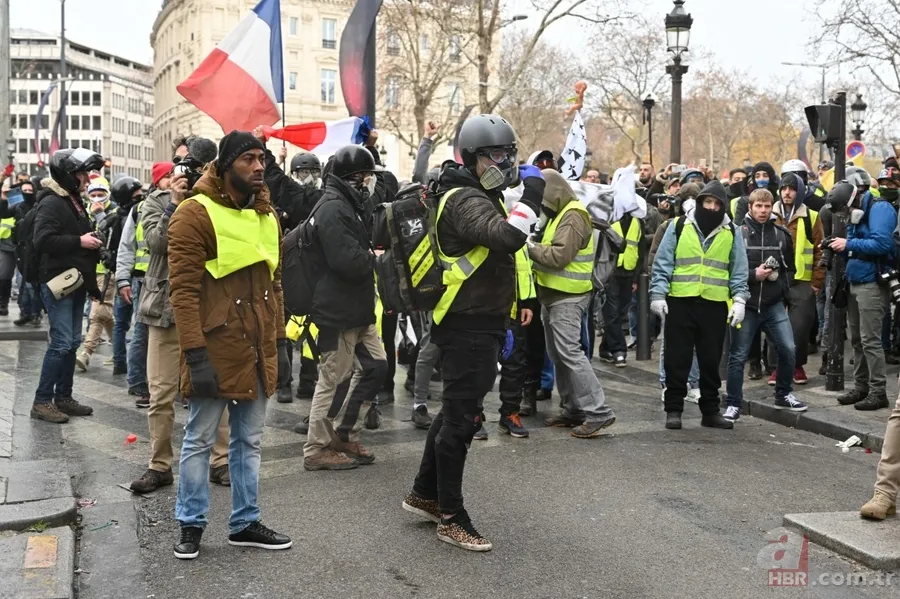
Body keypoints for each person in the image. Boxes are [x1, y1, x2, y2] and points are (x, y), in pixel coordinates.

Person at [402, 114, 542, 552]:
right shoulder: (465, 199)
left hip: (477, 321)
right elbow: (505, 237)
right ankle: (452, 517)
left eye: (508, 153)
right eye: (495, 154)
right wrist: (534, 196)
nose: (505, 161)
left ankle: (425, 494)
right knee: (461, 423)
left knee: (452, 414)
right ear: (472, 157)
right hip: (466, 325)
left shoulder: (480, 192)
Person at [168, 130, 292, 560]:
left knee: (249, 441)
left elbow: (274, 285)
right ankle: (191, 523)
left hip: (257, 348)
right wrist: (195, 355)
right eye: (248, 160)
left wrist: (280, 343)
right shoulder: (193, 214)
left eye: (262, 158)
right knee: (200, 439)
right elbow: (182, 292)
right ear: (224, 166)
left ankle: (244, 522)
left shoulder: (267, 215)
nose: (259, 166)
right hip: (215, 348)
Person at [130, 157, 232, 494]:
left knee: (214, 388)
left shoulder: (212, 203)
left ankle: (220, 461)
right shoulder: (154, 204)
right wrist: (175, 203)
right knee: (160, 394)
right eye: (182, 171)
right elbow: (159, 244)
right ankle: (159, 465)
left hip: (205, 309)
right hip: (164, 311)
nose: (187, 177)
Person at [302, 144, 388, 471]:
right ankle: (316, 448)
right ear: (350, 178)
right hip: (338, 310)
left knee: (376, 367)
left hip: (357, 307)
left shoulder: (348, 205)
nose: (369, 182)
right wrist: (377, 260)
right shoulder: (333, 208)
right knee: (334, 378)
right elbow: (345, 261)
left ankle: (343, 432)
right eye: (365, 176)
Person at [650, 180, 750, 430]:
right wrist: (658, 294)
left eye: (718, 204)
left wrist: (739, 299)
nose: (712, 207)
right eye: (708, 202)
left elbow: (738, 269)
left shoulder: (731, 232)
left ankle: (710, 411)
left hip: (714, 304)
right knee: (677, 359)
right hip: (681, 301)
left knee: (710, 361)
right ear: (699, 202)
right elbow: (663, 263)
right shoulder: (678, 226)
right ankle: (674, 410)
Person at [529, 168, 617, 437]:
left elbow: (559, 257)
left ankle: (598, 411)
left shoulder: (573, 216)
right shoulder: (561, 214)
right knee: (559, 354)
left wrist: (529, 247)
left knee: (570, 353)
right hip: (555, 295)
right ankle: (573, 408)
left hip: (568, 296)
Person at [30, 148, 104, 423]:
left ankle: (63, 397)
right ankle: (41, 401)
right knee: (61, 343)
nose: (87, 178)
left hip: (74, 283)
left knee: (72, 342)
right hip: (58, 282)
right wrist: (80, 241)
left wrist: (88, 240)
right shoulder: (53, 202)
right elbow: (43, 240)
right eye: (82, 173)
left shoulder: (73, 201)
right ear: (68, 175)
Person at [725, 188, 806, 422]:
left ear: (773, 208)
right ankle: (733, 404)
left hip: (773, 304)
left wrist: (780, 283)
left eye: (767, 206)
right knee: (738, 356)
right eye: (758, 206)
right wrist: (754, 275)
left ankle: (783, 394)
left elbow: (789, 269)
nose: (763, 211)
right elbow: (728, 270)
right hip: (745, 304)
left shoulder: (781, 234)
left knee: (789, 349)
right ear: (750, 207)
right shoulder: (737, 234)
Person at [832, 171, 898, 411]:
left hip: (872, 282)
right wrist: (837, 245)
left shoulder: (880, 209)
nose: (844, 215)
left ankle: (878, 392)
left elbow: (883, 244)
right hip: (855, 281)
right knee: (858, 341)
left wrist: (848, 244)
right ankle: (861, 387)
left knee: (871, 340)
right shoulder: (857, 212)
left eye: (843, 210)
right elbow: (855, 244)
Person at [768, 173, 825, 386]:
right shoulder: (769, 213)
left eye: (791, 189)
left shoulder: (811, 216)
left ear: (799, 191)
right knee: (774, 325)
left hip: (802, 281)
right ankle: (776, 368)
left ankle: (797, 365)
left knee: (800, 327)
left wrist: (816, 284)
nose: (787, 192)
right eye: (784, 188)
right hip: (775, 279)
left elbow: (821, 251)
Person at [112, 176, 151, 406]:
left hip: (162, 280)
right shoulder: (138, 211)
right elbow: (126, 248)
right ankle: (137, 381)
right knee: (140, 331)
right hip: (141, 280)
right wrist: (123, 280)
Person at [75, 179, 118, 372]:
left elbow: (110, 236)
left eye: (101, 193)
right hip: (91, 270)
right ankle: (120, 350)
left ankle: (86, 352)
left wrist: (100, 215)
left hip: (108, 271)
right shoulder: (84, 211)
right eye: (93, 194)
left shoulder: (115, 212)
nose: (97, 198)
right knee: (105, 314)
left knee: (96, 313)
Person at [599, 199, 644, 367]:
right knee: (611, 313)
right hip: (610, 273)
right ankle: (619, 351)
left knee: (618, 313)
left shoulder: (638, 222)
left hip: (628, 274)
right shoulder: (609, 218)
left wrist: (635, 277)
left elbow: (640, 251)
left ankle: (605, 348)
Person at [11, 180, 43, 326]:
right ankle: (25, 312)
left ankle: (35, 313)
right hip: (20, 249)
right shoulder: (16, 207)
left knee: (32, 284)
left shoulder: (38, 207)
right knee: (21, 283)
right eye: (25, 191)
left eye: (31, 191)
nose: (28, 194)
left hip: (34, 250)